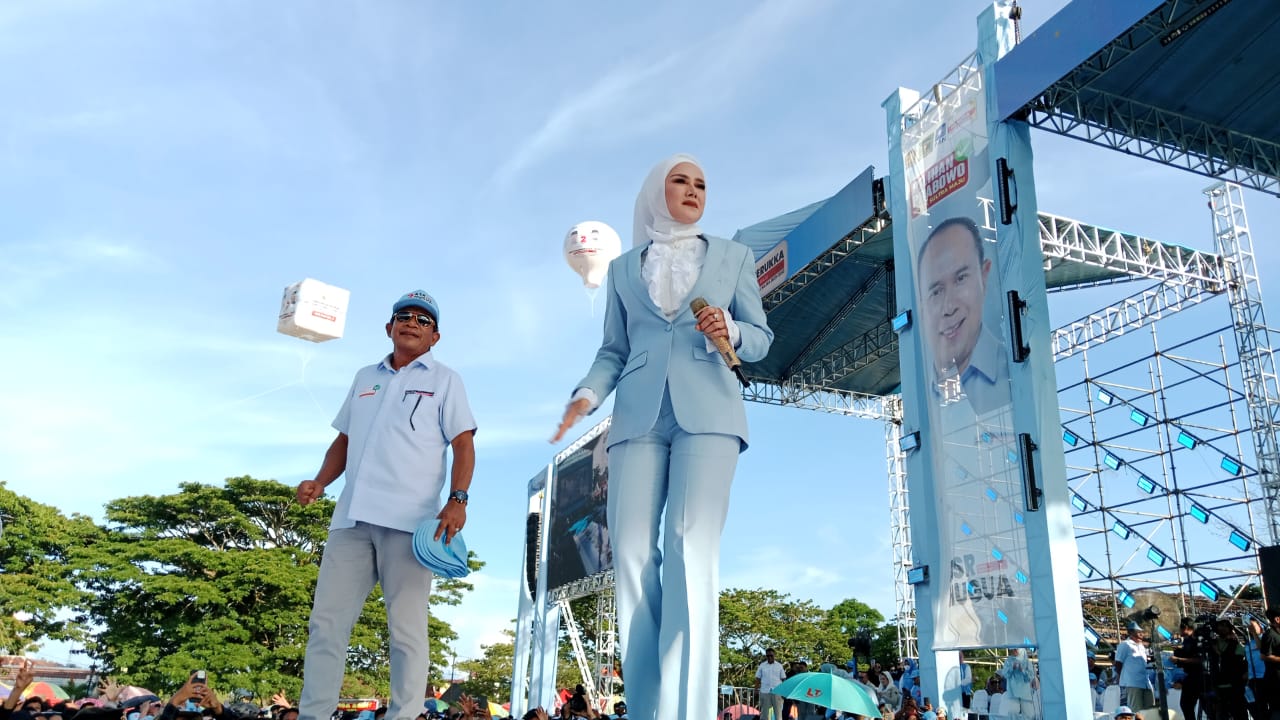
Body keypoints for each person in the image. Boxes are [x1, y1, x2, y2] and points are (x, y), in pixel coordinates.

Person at [552, 154, 773, 720]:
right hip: (637, 417)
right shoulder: (625, 269)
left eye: (702, 182)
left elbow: (763, 337)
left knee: (689, 549)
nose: (694, 190)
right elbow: (612, 350)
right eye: (681, 181)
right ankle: (649, 709)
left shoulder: (734, 256)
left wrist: (734, 329)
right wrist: (585, 394)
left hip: (711, 411)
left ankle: (689, 710)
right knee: (628, 555)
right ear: (657, 192)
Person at [295, 290, 477, 720]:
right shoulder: (364, 377)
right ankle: (313, 715)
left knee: (407, 632)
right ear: (389, 327)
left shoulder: (445, 380)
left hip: (410, 523)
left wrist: (458, 500)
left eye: (423, 319)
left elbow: (463, 444)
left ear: (435, 336)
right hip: (350, 520)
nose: (412, 322)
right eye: (403, 316)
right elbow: (344, 440)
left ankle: (404, 715)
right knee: (325, 626)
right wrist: (320, 481)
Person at [916, 216, 1010, 415]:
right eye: (935, 291)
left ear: (984, 276)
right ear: (921, 308)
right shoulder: (918, 403)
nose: (948, 307)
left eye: (960, 279)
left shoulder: (1016, 374)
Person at [1170, 617, 1204, 720]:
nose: (1179, 632)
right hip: (1188, 678)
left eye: (1180, 629)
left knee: (1206, 707)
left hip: (1200, 678)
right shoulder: (1187, 640)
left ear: (1185, 627)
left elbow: (1199, 659)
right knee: (1186, 705)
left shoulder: (1199, 639)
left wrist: (1179, 659)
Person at [1115, 622, 1153, 711]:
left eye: (1142, 632)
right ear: (1131, 632)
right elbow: (1118, 663)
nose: (1141, 634)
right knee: (1137, 710)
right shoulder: (1125, 645)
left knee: (1150, 710)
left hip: (1146, 682)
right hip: (1133, 683)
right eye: (1138, 632)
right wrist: (1121, 677)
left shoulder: (1142, 646)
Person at [755, 649, 786, 720]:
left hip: (777, 691)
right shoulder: (762, 665)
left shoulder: (779, 666)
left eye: (771, 655)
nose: (769, 657)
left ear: (774, 655)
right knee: (764, 714)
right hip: (765, 691)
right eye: (767, 656)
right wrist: (756, 689)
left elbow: (783, 679)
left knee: (778, 714)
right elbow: (758, 678)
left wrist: (784, 692)